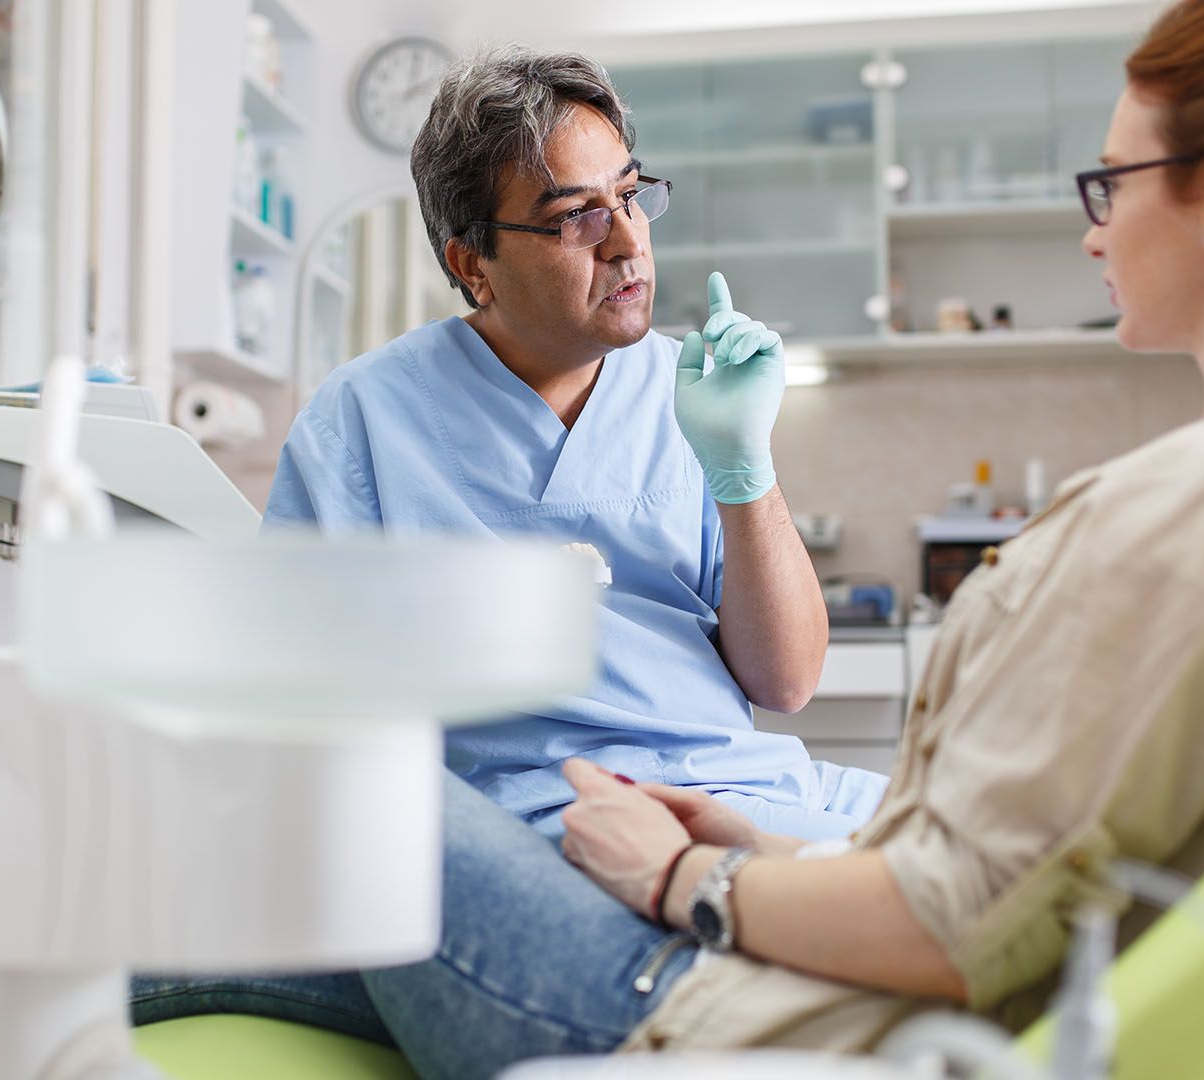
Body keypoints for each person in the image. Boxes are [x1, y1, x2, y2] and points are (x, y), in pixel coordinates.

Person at [134, 1, 1204, 1076]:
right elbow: (1003, 877)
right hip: (661, 877)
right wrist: (730, 858)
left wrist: (693, 877)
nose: (1091, 230)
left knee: (333, 812)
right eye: (573, 216)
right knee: (322, 807)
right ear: (469, 259)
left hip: (702, 978)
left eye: (1111, 185)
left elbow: (958, 901)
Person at [262, 47, 887, 840]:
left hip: (742, 776)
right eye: (576, 217)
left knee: (1007, 849)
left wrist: (745, 470)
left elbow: (788, 682)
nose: (627, 242)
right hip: (549, 816)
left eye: (630, 196)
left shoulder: (685, 391)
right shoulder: (364, 420)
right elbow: (298, 701)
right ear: (472, 263)